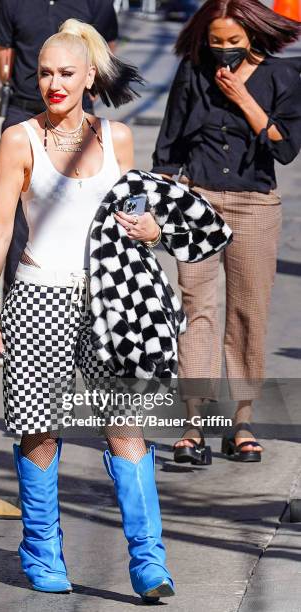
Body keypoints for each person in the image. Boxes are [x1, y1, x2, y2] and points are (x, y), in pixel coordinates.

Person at [0, 19, 175, 602]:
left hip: (111, 299)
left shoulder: (117, 138)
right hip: (39, 294)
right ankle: (42, 552)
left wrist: (150, 229)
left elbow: (139, 222)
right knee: (39, 433)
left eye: (66, 73)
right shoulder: (20, 138)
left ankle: (149, 563)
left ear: (91, 75)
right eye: (43, 73)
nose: (53, 83)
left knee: (125, 431)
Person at [151, 0, 301, 464]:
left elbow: (285, 148)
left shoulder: (284, 76)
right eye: (215, 43)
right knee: (198, 309)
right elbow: (169, 143)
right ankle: (195, 423)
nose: (223, 52)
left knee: (247, 313)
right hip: (196, 198)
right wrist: (157, 205)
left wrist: (242, 96)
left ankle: (241, 421)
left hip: (254, 203)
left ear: (252, 37)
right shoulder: (192, 72)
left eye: (232, 43)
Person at [0, 0, 119, 294]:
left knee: (75, 209)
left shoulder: (96, 3)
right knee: (18, 217)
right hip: (23, 111)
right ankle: (17, 302)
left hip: (78, 119)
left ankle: (82, 299)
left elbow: (107, 48)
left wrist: (86, 96)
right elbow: (4, 53)